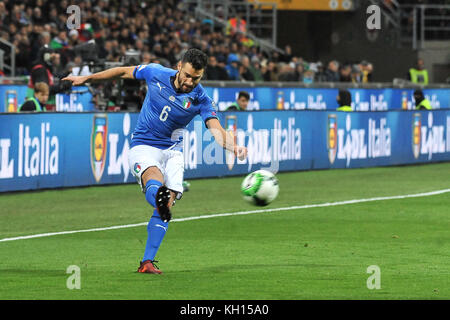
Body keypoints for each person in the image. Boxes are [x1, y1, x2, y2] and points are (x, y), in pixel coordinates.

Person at [63, 48, 248, 274]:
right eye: (188, 75)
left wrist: (234, 146)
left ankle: (147, 262)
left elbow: (217, 130)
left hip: (173, 152)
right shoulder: (156, 73)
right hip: (144, 146)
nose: (190, 82)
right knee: (156, 184)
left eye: (196, 78)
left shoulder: (201, 99)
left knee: (166, 205)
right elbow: (123, 72)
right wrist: (87, 78)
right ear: (179, 66)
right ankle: (158, 198)